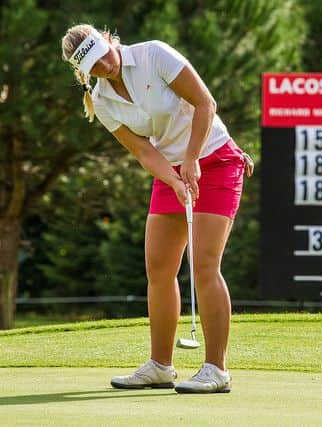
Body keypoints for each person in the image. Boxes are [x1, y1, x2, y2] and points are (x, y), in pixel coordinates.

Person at [61, 24, 253, 394]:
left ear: (109, 40)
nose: (105, 66)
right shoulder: (101, 101)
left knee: (205, 266)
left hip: (214, 159)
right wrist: (175, 180)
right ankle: (161, 366)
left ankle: (217, 369)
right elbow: (144, 151)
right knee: (159, 268)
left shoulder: (154, 55)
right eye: (94, 67)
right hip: (170, 169)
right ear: (84, 73)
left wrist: (192, 160)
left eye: (104, 55)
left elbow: (204, 103)